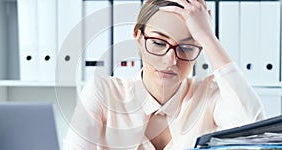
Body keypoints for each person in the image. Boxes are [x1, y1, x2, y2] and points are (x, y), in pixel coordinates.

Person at [63, 0, 265, 149]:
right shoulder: (103, 91)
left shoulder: (210, 94)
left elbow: (253, 132)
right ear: (139, 38)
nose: (171, 61)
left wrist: (207, 36)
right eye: (158, 43)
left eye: (186, 47)